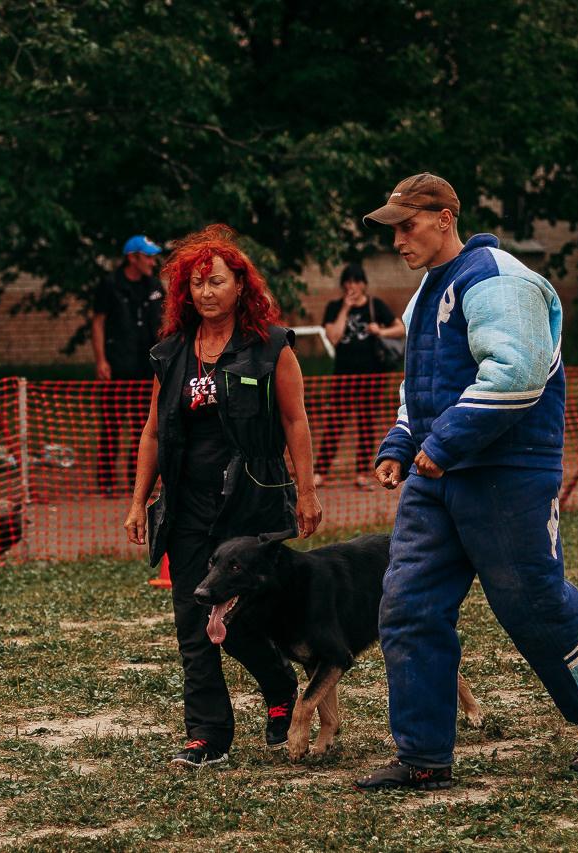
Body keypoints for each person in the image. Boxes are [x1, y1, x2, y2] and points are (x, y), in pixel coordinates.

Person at [353, 173, 578, 792]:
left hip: (506, 472)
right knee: (407, 607)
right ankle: (423, 755)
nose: (397, 238)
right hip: (437, 471)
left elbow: (518, 375)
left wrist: (439, 444)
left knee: (531, 603)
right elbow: (419, 387)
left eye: (407, 223)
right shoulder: (427, 292)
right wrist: (403, 443)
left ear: (446, 217)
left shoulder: (497, 278)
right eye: (392, 227)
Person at [124, 224, 323, 769]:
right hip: (187, 506)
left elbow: (295, 420)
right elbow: (151, 433)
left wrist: (306, 491)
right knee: (195, 623)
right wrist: (139, 499)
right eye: (196, 284)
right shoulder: (171, 355)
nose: (206, 293)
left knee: (243, 624)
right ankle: (208, 737)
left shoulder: (271, 347)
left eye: (216, 282)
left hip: (249, 507)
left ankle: (280, 686)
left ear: (241, 285)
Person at [314, 264, 405, 488]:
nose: (352, 286)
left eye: (357, 281)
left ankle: (362, 474)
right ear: (343, 285)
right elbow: (333, 337)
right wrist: (345, 308)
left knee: (366, 423)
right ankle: (319, 472)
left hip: (372, 376)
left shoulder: (375, 305)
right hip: (344, 376)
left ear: (364, 284)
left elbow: (401, 328)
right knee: (335, 422)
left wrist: (380, 331)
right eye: (348, 282)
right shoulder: (335, 306)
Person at [91, 234, 165, 497]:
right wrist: (101, 359)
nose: (152, 262)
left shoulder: (155, 285)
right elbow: (98, 322)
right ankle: (107, 482)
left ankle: (138, 481)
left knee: (143, 426)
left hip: (147, 368)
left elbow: (164, 323)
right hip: (118, 366)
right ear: (132, 258)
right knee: (111, 425)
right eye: (148, 256)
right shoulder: (110, 284)